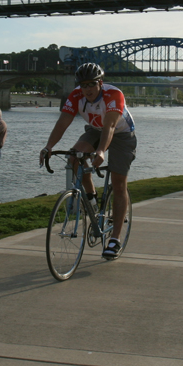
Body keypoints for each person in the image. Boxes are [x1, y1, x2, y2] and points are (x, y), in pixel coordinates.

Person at [39, 63, 136, 259]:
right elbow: (63, 122)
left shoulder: (113, 95)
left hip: (121, 134)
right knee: (74, 158)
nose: (87, 90)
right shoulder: (75, 96)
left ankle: (115, 239)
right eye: (83, 85)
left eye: (92, 84)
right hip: (95, 130)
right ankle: (91, 198)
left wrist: (101, 151)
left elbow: (109, 127)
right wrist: (48, 146)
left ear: (100, 83)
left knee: (118, 184)